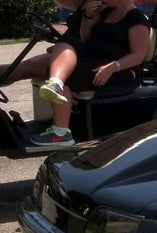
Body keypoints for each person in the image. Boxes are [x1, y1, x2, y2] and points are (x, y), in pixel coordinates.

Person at [33, 0, 149, 146]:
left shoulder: (136, 18)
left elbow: (138, 56)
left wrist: (113, 67)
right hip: (97, 61)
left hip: (120, 71)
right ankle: (55, 87)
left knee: (67, 74)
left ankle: (60, 134)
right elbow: (85, 38)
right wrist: (88, 16)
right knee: (65, 48)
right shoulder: (107, 12)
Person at [0, 0, 89, 87]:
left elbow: (84, 41)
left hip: (82, 59)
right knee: (24, 66)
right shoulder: (81, 13)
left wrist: (60, 46)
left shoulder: (92, 12)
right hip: (73, 54)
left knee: (27, 68)